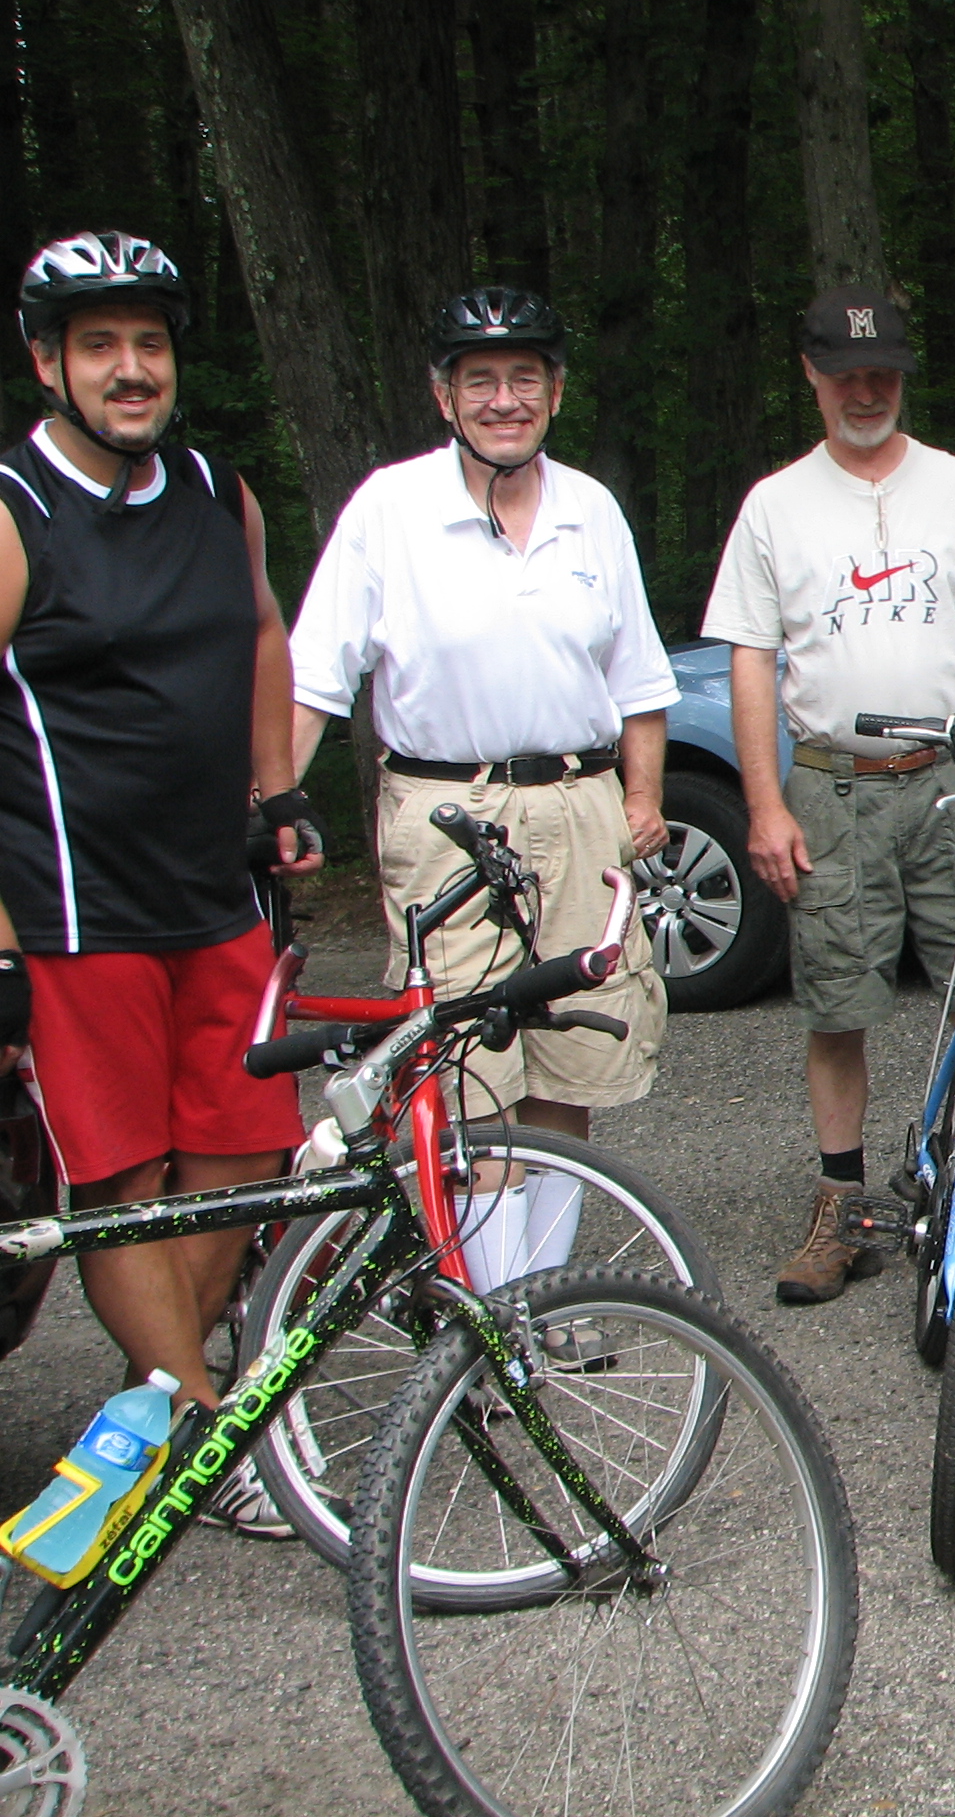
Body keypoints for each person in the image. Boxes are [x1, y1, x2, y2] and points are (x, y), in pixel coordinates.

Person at [0, 231, 324, 1535]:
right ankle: (202, 1427)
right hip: (78, 910)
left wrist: (280, 788)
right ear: (47, 362)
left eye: (149, 344)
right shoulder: (16, 509)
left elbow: (257, 628)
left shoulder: (213, 489)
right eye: (99, 347)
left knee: (247, 1157)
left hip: (215, 888)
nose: (131, 371)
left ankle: (162, 1409)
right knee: (124, 1180)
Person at [289, 287, 675, 1314]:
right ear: (443, 394)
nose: (504, 399)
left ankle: (540, 1309)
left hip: (578, 807)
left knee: (570, 1061)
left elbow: (639, 681)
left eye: (523, 379)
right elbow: (313, 676)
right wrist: (274, 798)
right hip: (447, 817)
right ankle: (481, 1322)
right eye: (479, 381)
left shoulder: (590, 507)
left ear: (555, 389)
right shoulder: (389, 509)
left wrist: (643, 800)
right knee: (465, 1075)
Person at [703, 285, 955, 1305]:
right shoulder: (775, 504)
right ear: (813, 377)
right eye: (846, 376)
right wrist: (765, 804)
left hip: (954, 778)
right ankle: (844, 1206)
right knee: (836, 1001)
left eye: (882, 375)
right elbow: (751, 661)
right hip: (831, 787)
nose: (865, 393)